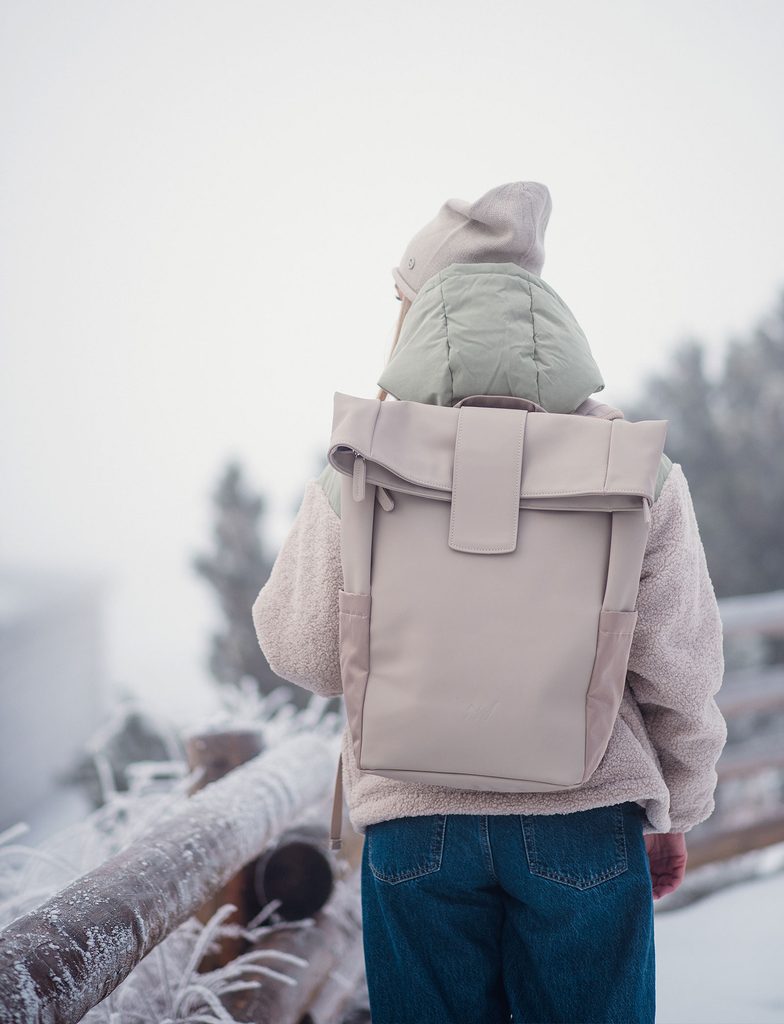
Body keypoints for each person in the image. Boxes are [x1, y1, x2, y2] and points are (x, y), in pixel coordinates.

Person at [252, 181, 727, 1024]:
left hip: (412, 820)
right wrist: (676, 808)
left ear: (420, 317)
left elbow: (303, 650)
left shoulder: (360, 462)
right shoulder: (634, 470)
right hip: (585, 814)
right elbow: (680, 673)